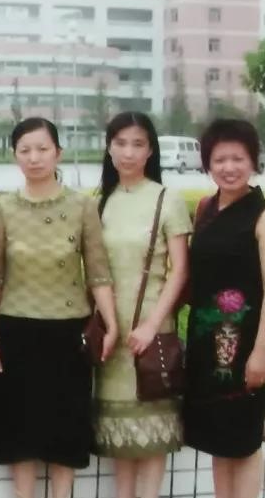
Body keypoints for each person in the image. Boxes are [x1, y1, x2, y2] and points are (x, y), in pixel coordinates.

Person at [0, 117, 119, 498]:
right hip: (14, 331)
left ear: (58, 152)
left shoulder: (83, 206)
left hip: (68, 332)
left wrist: (111, 324)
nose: (34, 157)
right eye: (25, 150)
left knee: (66, 428)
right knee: (19, 429)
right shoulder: (2, 209)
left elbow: (98, 271)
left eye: (43, 149)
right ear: (15, 155)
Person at [183, 119, 265, 498]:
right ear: (208, 164)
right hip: (205, 343)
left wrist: (260, 352)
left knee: (243, 441)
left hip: (244, 347)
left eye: (238, 158)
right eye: (220, 159)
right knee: (218, 440)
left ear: (253, 161)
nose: (229, 167)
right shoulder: (205, 209)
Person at [93, 112, 191, 498]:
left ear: (151, 150)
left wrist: (152, 325)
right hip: (110, 335)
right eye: (120, 143)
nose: (128, 152)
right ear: (108, 148)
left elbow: (180, 270)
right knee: (120, 440)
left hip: (152, 332)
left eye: (138, 144)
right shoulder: (101, 202)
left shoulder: (167, 199)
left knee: (152, 439)